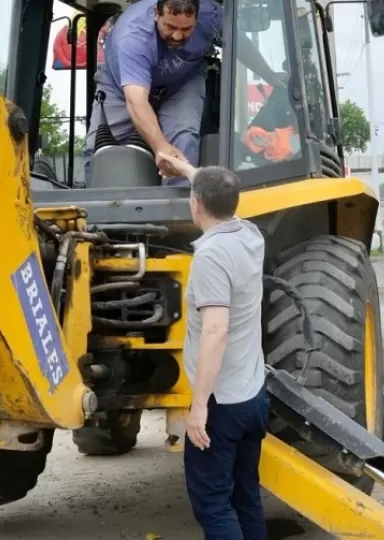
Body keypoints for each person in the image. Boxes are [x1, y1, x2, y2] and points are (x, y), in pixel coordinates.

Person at [160, 151, 270, 539]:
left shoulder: (210, 255)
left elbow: (215, 330)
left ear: (196, 203)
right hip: (253, 398)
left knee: (213, 505)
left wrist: (199, 407)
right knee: (245, 498)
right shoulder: (249, 234)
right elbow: (216, 192)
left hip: (221, 406)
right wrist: (187, 170)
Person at [84, 0, 283, 186]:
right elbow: (137, 103)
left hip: (182, 82)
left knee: (184, 138)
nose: (178, 36)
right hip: (121, 87)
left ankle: (181, 211)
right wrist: (160, 146)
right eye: (170, 27)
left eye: (186, 28)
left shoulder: (212, 16)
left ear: (198, 17)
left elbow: (241, 46)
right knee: (100, 151)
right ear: (156, 14)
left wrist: (272, 78)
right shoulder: (134, 37)